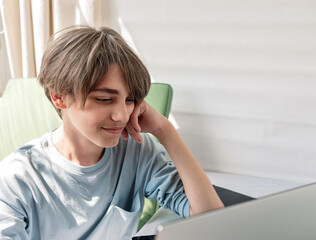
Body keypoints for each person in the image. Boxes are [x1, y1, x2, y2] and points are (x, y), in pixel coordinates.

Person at [0, 26, 224, 239]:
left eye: (130, 100)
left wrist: (164, 130)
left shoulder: (138, 151)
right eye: (104, 99)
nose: (121, 115)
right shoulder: (18, 177)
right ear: (59, 97)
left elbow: (209, 216)